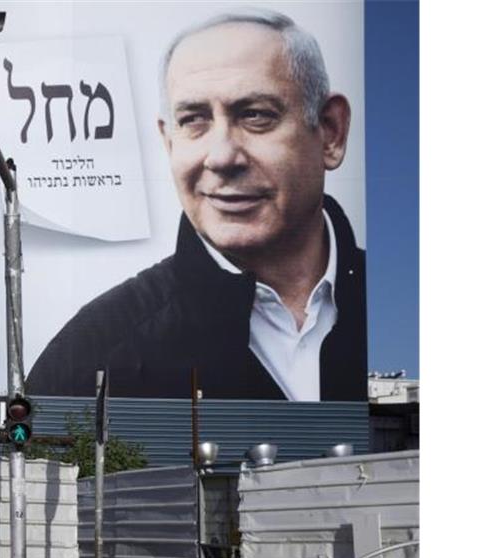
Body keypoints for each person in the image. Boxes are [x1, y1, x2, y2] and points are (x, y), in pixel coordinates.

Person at [27, 8, 366, 401]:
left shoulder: (399, 304)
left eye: (255, 115)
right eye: (193, 120)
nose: (221, 157)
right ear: (168, 142)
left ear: (331, 132)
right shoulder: (88, 358)